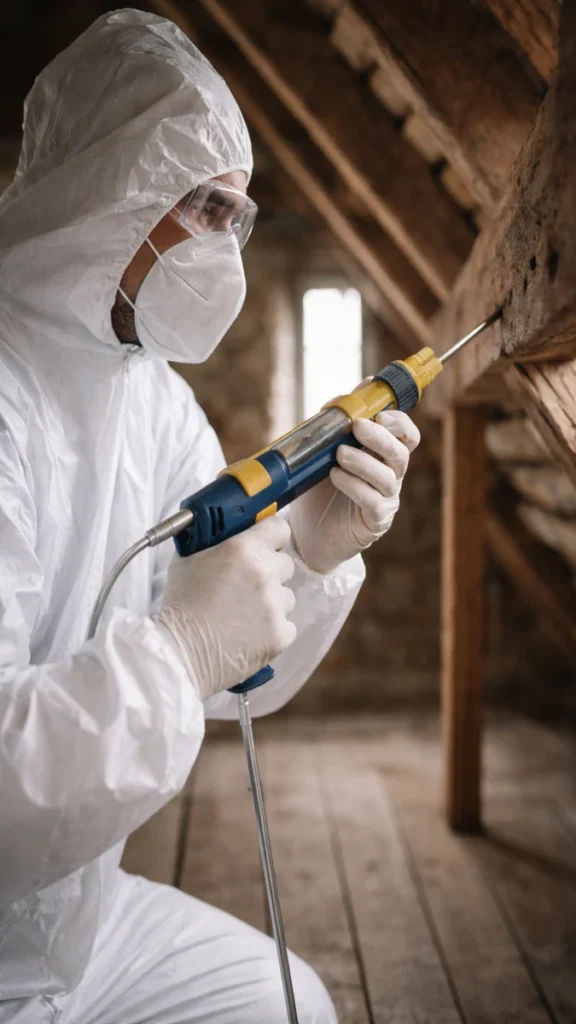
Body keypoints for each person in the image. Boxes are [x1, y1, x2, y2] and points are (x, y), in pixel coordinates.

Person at [0, 9, 420, 1023]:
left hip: (73, 919)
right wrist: (179, 650)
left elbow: (240, 678)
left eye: (238, 212)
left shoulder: (150, 395)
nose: (226, 241)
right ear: (112, 188)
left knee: (287, 1004)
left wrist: (310, 555)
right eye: (202, 205)